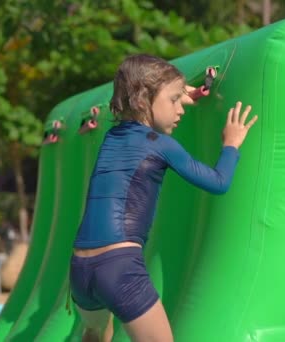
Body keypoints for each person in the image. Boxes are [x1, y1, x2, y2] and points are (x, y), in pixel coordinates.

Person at [69, 54, 258, 342]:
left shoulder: (112, 136)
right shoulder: (161, 145)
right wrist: (231, 144)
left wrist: (182, 93)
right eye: (174, 100)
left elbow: (149, 100)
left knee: (96, 334)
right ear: (143, 101)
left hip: (81, 270)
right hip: (118, 268)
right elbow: (218, 183)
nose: (180, 107)